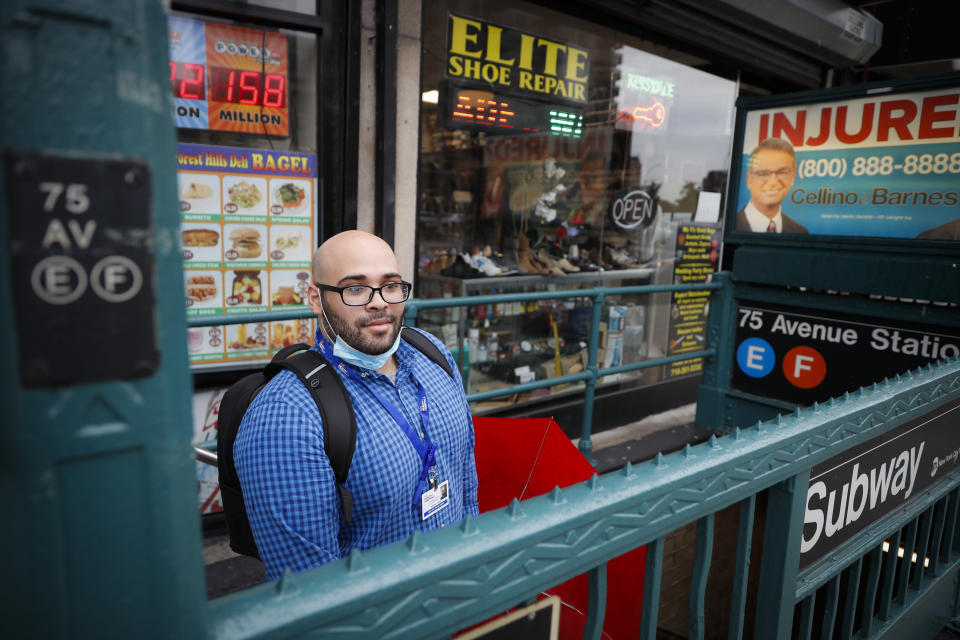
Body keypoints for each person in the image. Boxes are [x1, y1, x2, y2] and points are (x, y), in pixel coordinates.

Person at [234, 230, 479, 579]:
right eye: (355, 288)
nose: (379, 301)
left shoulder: (432, 353)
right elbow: (313, 591)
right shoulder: (286, 415)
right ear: (316, 299)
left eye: (390, 285)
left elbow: (465, 482)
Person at [734, 138, 808, 234]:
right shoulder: (730, 225)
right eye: (763, 173)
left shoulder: (801, 233)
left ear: (793, 176)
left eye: (782, 172)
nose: (773, 182)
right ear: (749, 180)